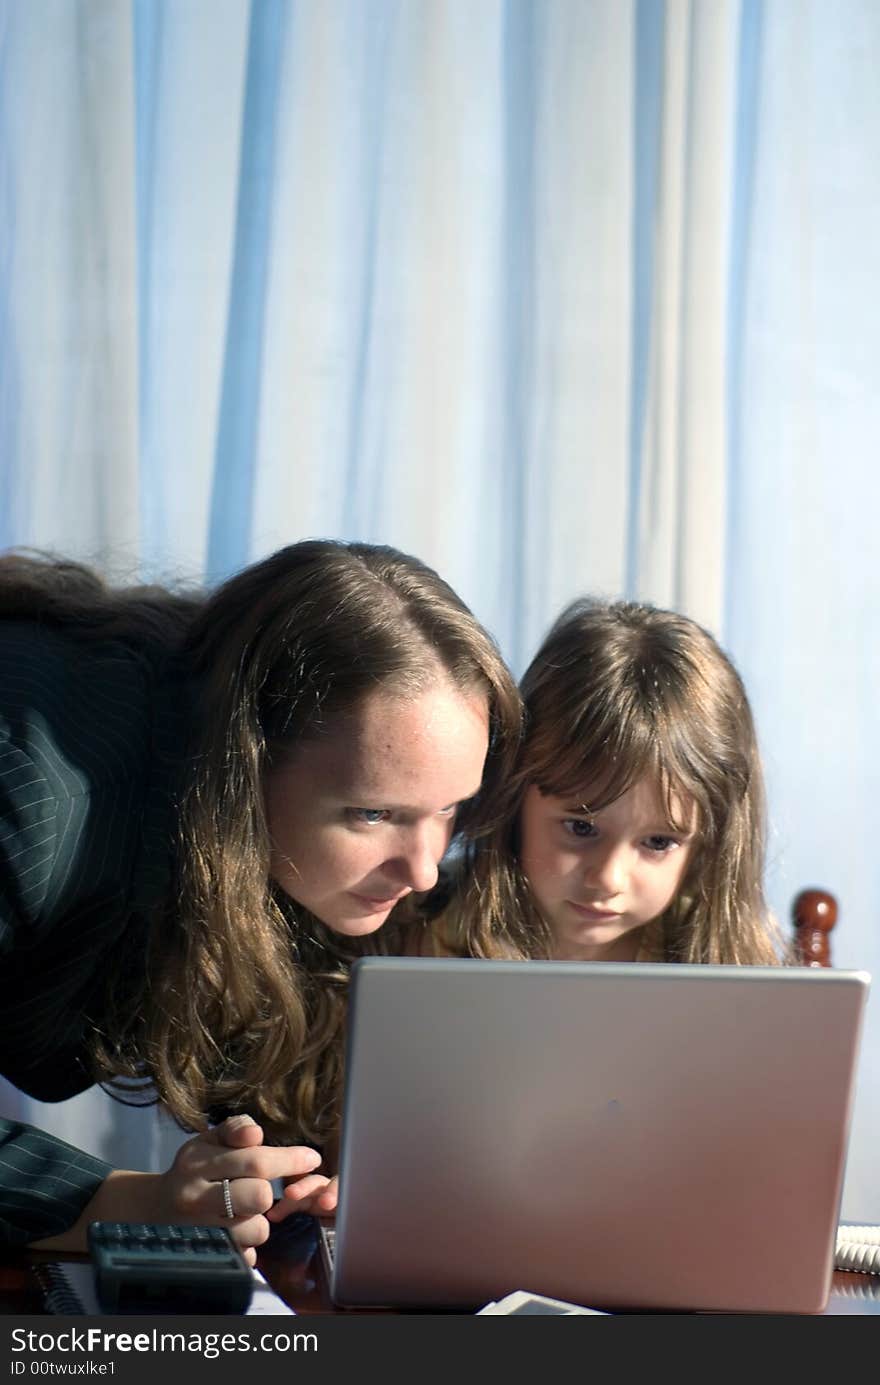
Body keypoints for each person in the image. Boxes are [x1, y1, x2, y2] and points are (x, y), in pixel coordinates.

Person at [0, 540, 522, 1257]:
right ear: (244, 764)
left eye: (449, 810)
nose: (425, 871)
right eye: (374, 815)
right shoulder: (35, 797)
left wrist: (303, 1169)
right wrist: (127, 1201)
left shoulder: (274, 842)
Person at [418, 597, 783, 967]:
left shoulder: (713, 964)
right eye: (581, 826)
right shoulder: (419, 934)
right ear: (515, 792)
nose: (609, 879)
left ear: (710, 839)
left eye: (659, 842)